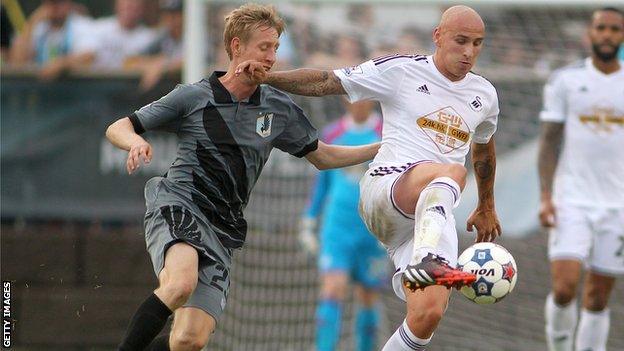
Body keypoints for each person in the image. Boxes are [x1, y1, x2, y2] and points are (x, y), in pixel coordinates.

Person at [105, 4, 379, 351]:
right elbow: (119, 127)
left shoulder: (278, 108)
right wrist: (135, 142)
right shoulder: (194, 96)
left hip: (223, 229)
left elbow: (323, 156)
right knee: (179, 284)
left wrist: (380, 149)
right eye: (264, 48)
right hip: (181, 203)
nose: (271, 57)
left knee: (189, 340)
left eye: (276, 48)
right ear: (236, 47)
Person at [237, 5, 501, 350]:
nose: (468, 52)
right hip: (386, 190)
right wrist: (269, 77)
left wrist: (486, 205)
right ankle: (427, 261)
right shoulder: (401, 70)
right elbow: (327, 81)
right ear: (438, 36)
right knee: (451, 170)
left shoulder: (485, 95)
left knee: (427, 315)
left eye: (477, 44)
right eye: (461, 40)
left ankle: (425, 264)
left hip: (428, 219)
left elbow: (483, 149)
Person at [538, 7, 624, 351]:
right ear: (589, 34)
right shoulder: (566, 81)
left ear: (622, 36)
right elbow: (548, 141)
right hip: (570, 199)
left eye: (615, 29)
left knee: (599, 295)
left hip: (618, 205)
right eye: (601, 28)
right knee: (564, 287)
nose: (607, 35)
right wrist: (546, 196)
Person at [299, 99, 386, 351]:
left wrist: (394, 224)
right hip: (337, 228)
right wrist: (308, 221)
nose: (358, 102)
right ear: (344, 101)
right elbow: (322, 183)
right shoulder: (333, 134)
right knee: (332, 289)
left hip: (373, 230)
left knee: (368, 297)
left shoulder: (387, 134)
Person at [8, 0, 95, 80]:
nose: (55, 7)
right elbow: (16, 62)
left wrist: (61, 64)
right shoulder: (38, 28)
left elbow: (89, 56)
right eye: (51, 3)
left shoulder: (81, 25)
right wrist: (32, 21)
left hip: (72, 90)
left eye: (59, 2)